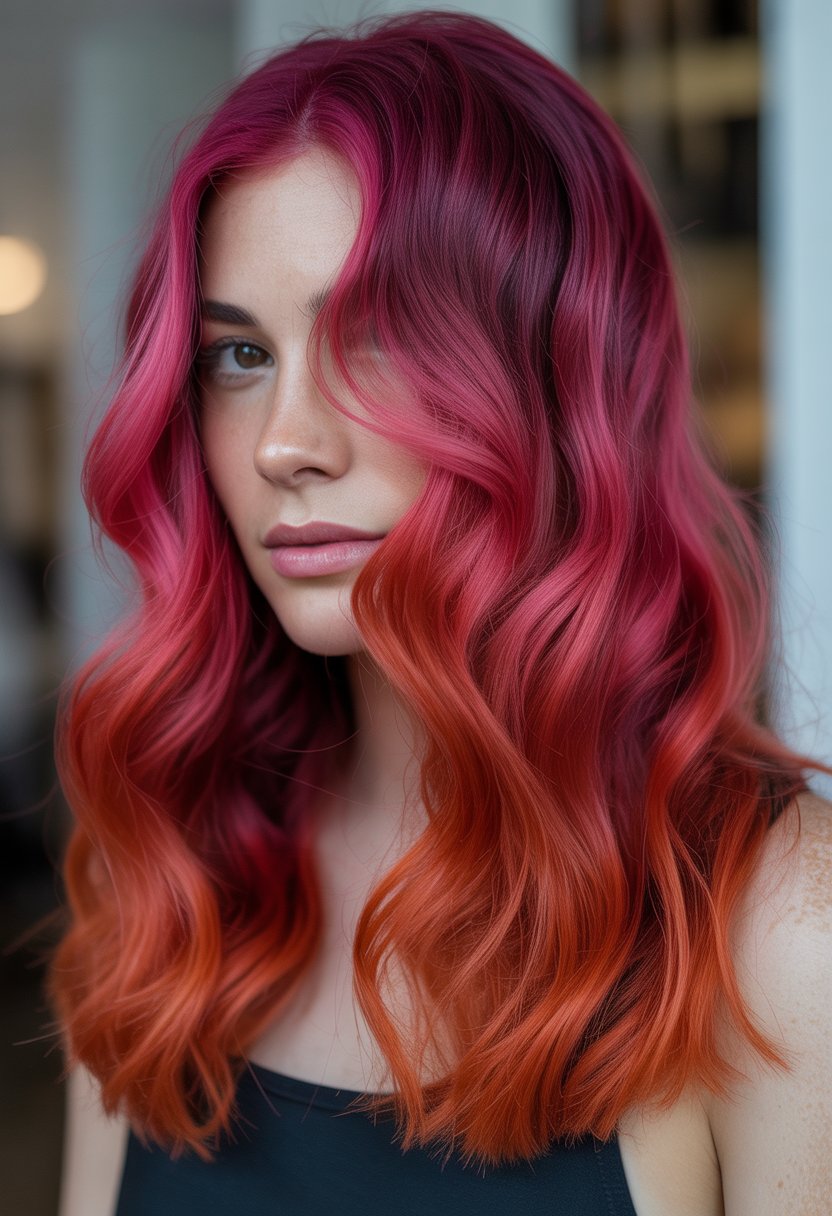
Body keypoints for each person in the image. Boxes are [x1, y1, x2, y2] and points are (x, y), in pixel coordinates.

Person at [50, 10, 831, 1215]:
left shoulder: (776, 929)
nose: (284, 445)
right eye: (238, 358)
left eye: (374, 340)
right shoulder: (165, 855)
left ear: (553, 378)